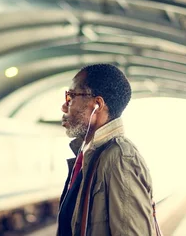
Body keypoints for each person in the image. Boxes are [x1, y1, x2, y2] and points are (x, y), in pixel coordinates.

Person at [57, 63, 161, 236]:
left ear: (97, 104)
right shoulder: (89, 156)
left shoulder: (119, 158)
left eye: (71, 97)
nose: (64, 106)